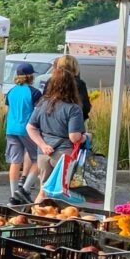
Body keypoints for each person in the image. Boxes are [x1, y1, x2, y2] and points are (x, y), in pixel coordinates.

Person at [27, 68, 85, 203]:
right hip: (64, 153)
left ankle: (37, 217)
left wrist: (43, 145)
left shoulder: (43, 103)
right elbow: (74, 137)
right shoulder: (73, 108)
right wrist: (87, 137)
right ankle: (60, 221)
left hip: (44, 153)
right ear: (72, 86)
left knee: (43, 190)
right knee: (64, 193)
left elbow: (30, 127)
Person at [5, 63, 43, 204]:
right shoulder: (34, 93)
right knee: (39, 158)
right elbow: (39, 112)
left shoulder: (10, 92)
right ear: (30, 76)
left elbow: (7, 111)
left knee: (15, 161)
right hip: (27, 129)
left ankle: (14, 195)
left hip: (11, 129)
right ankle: (24, 190)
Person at [46, 55, 92, 121]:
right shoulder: (79, 83)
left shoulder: (51, 81)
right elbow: (85, 106)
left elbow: (44, 100)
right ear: (75, 66)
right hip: (72, 120)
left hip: (51, 119)